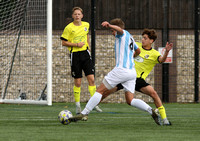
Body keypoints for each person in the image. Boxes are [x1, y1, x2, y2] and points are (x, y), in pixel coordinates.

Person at [69, 18, 162, 125]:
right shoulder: (130, 37)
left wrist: (109, 25)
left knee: (100, 90)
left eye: (112, 31)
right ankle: (152, 111)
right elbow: (138, 51)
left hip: (121, 70)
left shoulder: (122, 34)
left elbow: (120, 30)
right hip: (131, 72)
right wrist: (131, 57)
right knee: (130, 100)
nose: (112, 33)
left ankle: (84, 113)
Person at [102, 29, 173, 125]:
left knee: (154, 93)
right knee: (104, 93)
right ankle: (87, 111)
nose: (142, 40)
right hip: (125, 75)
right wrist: (116, 34)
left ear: (151, 41)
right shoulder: (137, 45)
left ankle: (165, 119)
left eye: (145, 38)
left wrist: (167, 52)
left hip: (137, 79)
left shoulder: (154, 53)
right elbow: (125, 41)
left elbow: (161, 60)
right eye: (142, 38)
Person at [60, 7, 102, 114]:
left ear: (82, 16)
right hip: (75, 55)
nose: (77, 16)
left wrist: (88, 46)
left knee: (91, 79)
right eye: (75, 14)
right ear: (73, 16)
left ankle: (94, 104)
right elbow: (64, 43)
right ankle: (78, 105)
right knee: (78, 82)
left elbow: (87, 35)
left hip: (85, 54)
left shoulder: (86, 25)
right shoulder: (69, 28)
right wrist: (76, 44)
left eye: (79, 14)